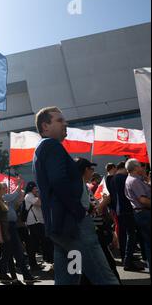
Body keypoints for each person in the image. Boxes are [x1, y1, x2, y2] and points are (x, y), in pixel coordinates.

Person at [32, 106, 119, 285]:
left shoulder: (43, 148)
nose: (65, 123)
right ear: (45, 126)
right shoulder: (51, 145)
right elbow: (59, 182)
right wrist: (79, 211)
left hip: (62, 230)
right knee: (105, 278)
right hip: (74, 227)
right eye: (59, 120)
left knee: (69, 278)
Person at [74, 158, 121, 284]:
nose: (93, 172)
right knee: (107, 268)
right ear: (85, 170)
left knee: (84, 272)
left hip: (93, 233)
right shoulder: (79, 187)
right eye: (91, 169)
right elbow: (89, 211)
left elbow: (91, 208)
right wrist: (103, 203)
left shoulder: (84, 186)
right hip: (90, 234)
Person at [111, 161, 144, 271]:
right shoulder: (123, 178)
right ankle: (128, 261)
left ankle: (127, 258)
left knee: (125, 235)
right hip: (127, 209)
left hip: (119, 210)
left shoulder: (113, 178)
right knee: (131, 235)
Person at [124, 158, 151, 269]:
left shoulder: (134, 179)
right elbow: (143, 200)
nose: (142, 167)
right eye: (140, 165)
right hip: (144, 213)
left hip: (142, 213)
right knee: (149, 243)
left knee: (148, 242)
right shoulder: (134, 181)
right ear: (135, 168)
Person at [24, 181, 54, 265]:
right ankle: (34, 263)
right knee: (36, 243)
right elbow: (39, 203)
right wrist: (38, 195)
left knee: (42, 241)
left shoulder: (33, 195)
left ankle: (46, 258)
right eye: (34, 188)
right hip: (34, 222)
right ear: (30, 189)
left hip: (38, 221)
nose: (36, 189)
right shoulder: (29, 196)